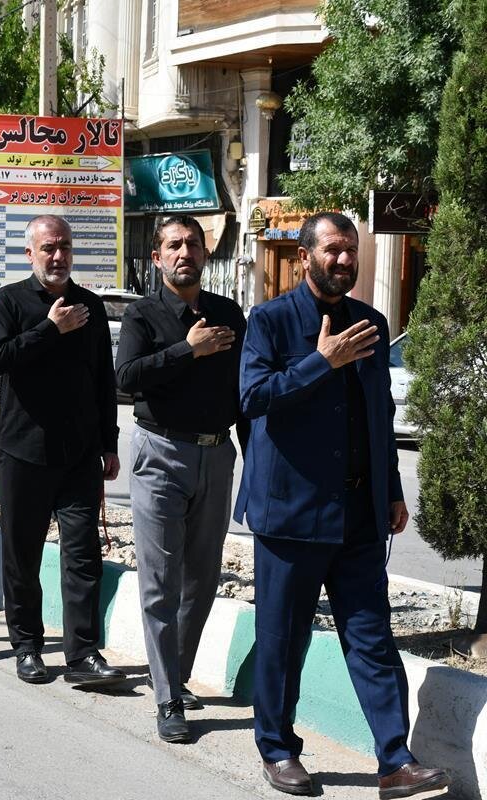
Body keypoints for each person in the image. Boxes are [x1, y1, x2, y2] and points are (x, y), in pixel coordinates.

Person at [236, 212, 449, 798]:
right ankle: (277, 751)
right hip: (291, 516)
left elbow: (377, 413)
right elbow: (253, 398)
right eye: (332, 249)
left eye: (350, 250)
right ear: (304, 256)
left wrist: (393, 491)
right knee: (283, 639)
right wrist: (319, 362)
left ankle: (395, 761)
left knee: (372, 638)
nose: (343, 260)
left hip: (358, 515)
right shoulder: (271, 322)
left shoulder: (372, 324)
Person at [114, 215, 248, 742]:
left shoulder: (228, 313)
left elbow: (243, 390)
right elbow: (126, 378)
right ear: (157, 257)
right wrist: (187, 350)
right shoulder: (142, 316)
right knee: (160, 581)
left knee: (203, 577)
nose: (184, 252)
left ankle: (178, 672)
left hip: (217, 455)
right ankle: (168, 697)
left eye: (193, 243)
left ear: (205, 251)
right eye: (173, 244)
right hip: (161, 454)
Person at [0, 214, 123, 687]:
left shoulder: (89, 305)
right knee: (21, 555)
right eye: (48, 248)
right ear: (30, 253)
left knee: (83, 556)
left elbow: (104, 378)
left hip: (79, 455)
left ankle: (82, 654)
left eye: (64, 246)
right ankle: (27, 647)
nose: (58, 255)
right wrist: (49, 329)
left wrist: (109, 442)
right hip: (24, 454)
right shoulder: (9, 301)